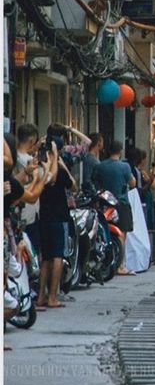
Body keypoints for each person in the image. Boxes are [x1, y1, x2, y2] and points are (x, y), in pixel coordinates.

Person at [37, 128, 76, 309]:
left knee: (45, 257)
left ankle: (40, 297)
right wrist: (58, 159)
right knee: (58, 256)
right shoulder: (57, 169)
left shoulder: (40, 166)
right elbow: (73, 184)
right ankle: (53, 296)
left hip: (43, 216)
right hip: (58, 216)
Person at [91, 140, 136, 275]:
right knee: (122, 234)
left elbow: (94, 182)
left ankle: (106, 261)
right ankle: (120, 265)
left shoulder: (100, 166)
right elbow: (133, 183)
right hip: (120, 203)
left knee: (104, 232)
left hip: (104, 203)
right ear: (120, 151)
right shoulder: (125, 167)